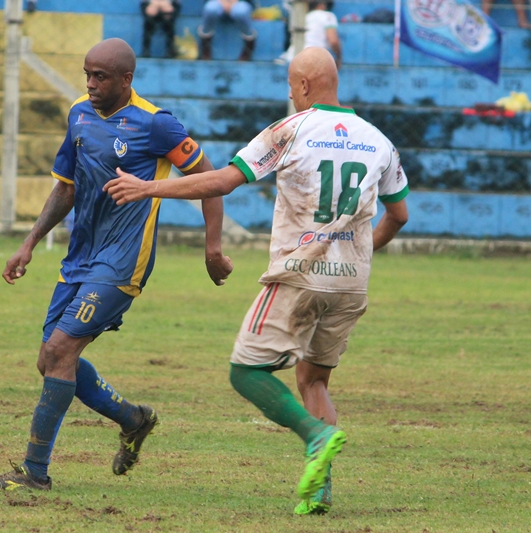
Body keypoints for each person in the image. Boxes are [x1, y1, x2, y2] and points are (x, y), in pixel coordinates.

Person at [104, 47, 409, 515]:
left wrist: (148, 188)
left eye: (290, 86)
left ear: (303, 85)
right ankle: (319, 489)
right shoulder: (379, 140)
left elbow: (224, 180)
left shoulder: (291, 129)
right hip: (352, 283)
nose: (290, 94)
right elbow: (399, 214)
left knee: (245, 371)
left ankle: (315, 435)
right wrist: (356, 251)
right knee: (314, 380)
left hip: (301, 275)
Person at [0, 38, 234, 491]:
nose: (91, 84)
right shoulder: (78, 114)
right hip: (80, 257)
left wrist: (212, 248)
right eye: (87, 75)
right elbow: (66, 188)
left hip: (123, 261)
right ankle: (133, 419)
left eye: (101, 77)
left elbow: (211, 181)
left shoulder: (156, 124)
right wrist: (29, 242)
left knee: (61, 351)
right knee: (50, 360)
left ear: (126, 79)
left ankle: (35, 472)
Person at [278, 2, 341, 67]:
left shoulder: (304, 17)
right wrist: (339, 57)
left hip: (292, 57)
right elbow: (333, 41)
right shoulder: (328, 16)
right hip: (312, 59)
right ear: (322, 5)